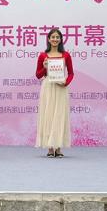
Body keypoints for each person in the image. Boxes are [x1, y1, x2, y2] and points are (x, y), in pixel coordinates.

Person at [35, 28, 74, 158]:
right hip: (48, 86)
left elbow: (71, 73)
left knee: (59, 116)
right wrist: (44, 67)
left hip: (61, 88)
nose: (55, 39)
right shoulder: (43, 55)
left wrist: (66, 82)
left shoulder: (66, 55)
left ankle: (58, 147)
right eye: (53, 37)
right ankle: (50, 148)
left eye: (57, 37)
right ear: (48, 39)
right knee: (48, 115)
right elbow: (38, 75)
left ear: (61, 39)